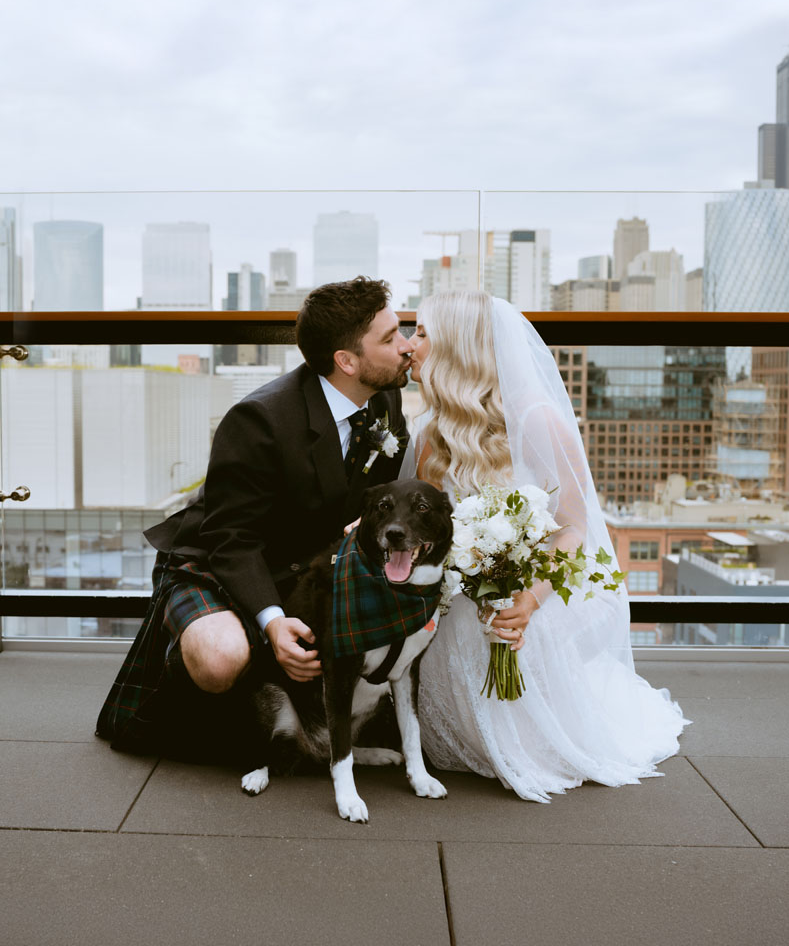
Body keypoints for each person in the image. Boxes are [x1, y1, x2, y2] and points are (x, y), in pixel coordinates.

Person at [96, 276, 412, 760]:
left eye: (402, 331)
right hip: (217, 560)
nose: (407, 347)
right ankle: (189, 689)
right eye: (391, 339)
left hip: (304, 566)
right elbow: (230, 539)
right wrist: (271, 623)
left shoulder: (384, 398)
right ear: (346, 361)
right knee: (222, 659)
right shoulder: (259, 420)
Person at [404, 290, 688, 803]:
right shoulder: (429, 435)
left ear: (457, 346)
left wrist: (528, 600)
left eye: (421, 333)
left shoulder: (536, 419)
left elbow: (573, 527)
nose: (410, 345)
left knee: (540, 744)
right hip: (464, 603)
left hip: (538, 592)